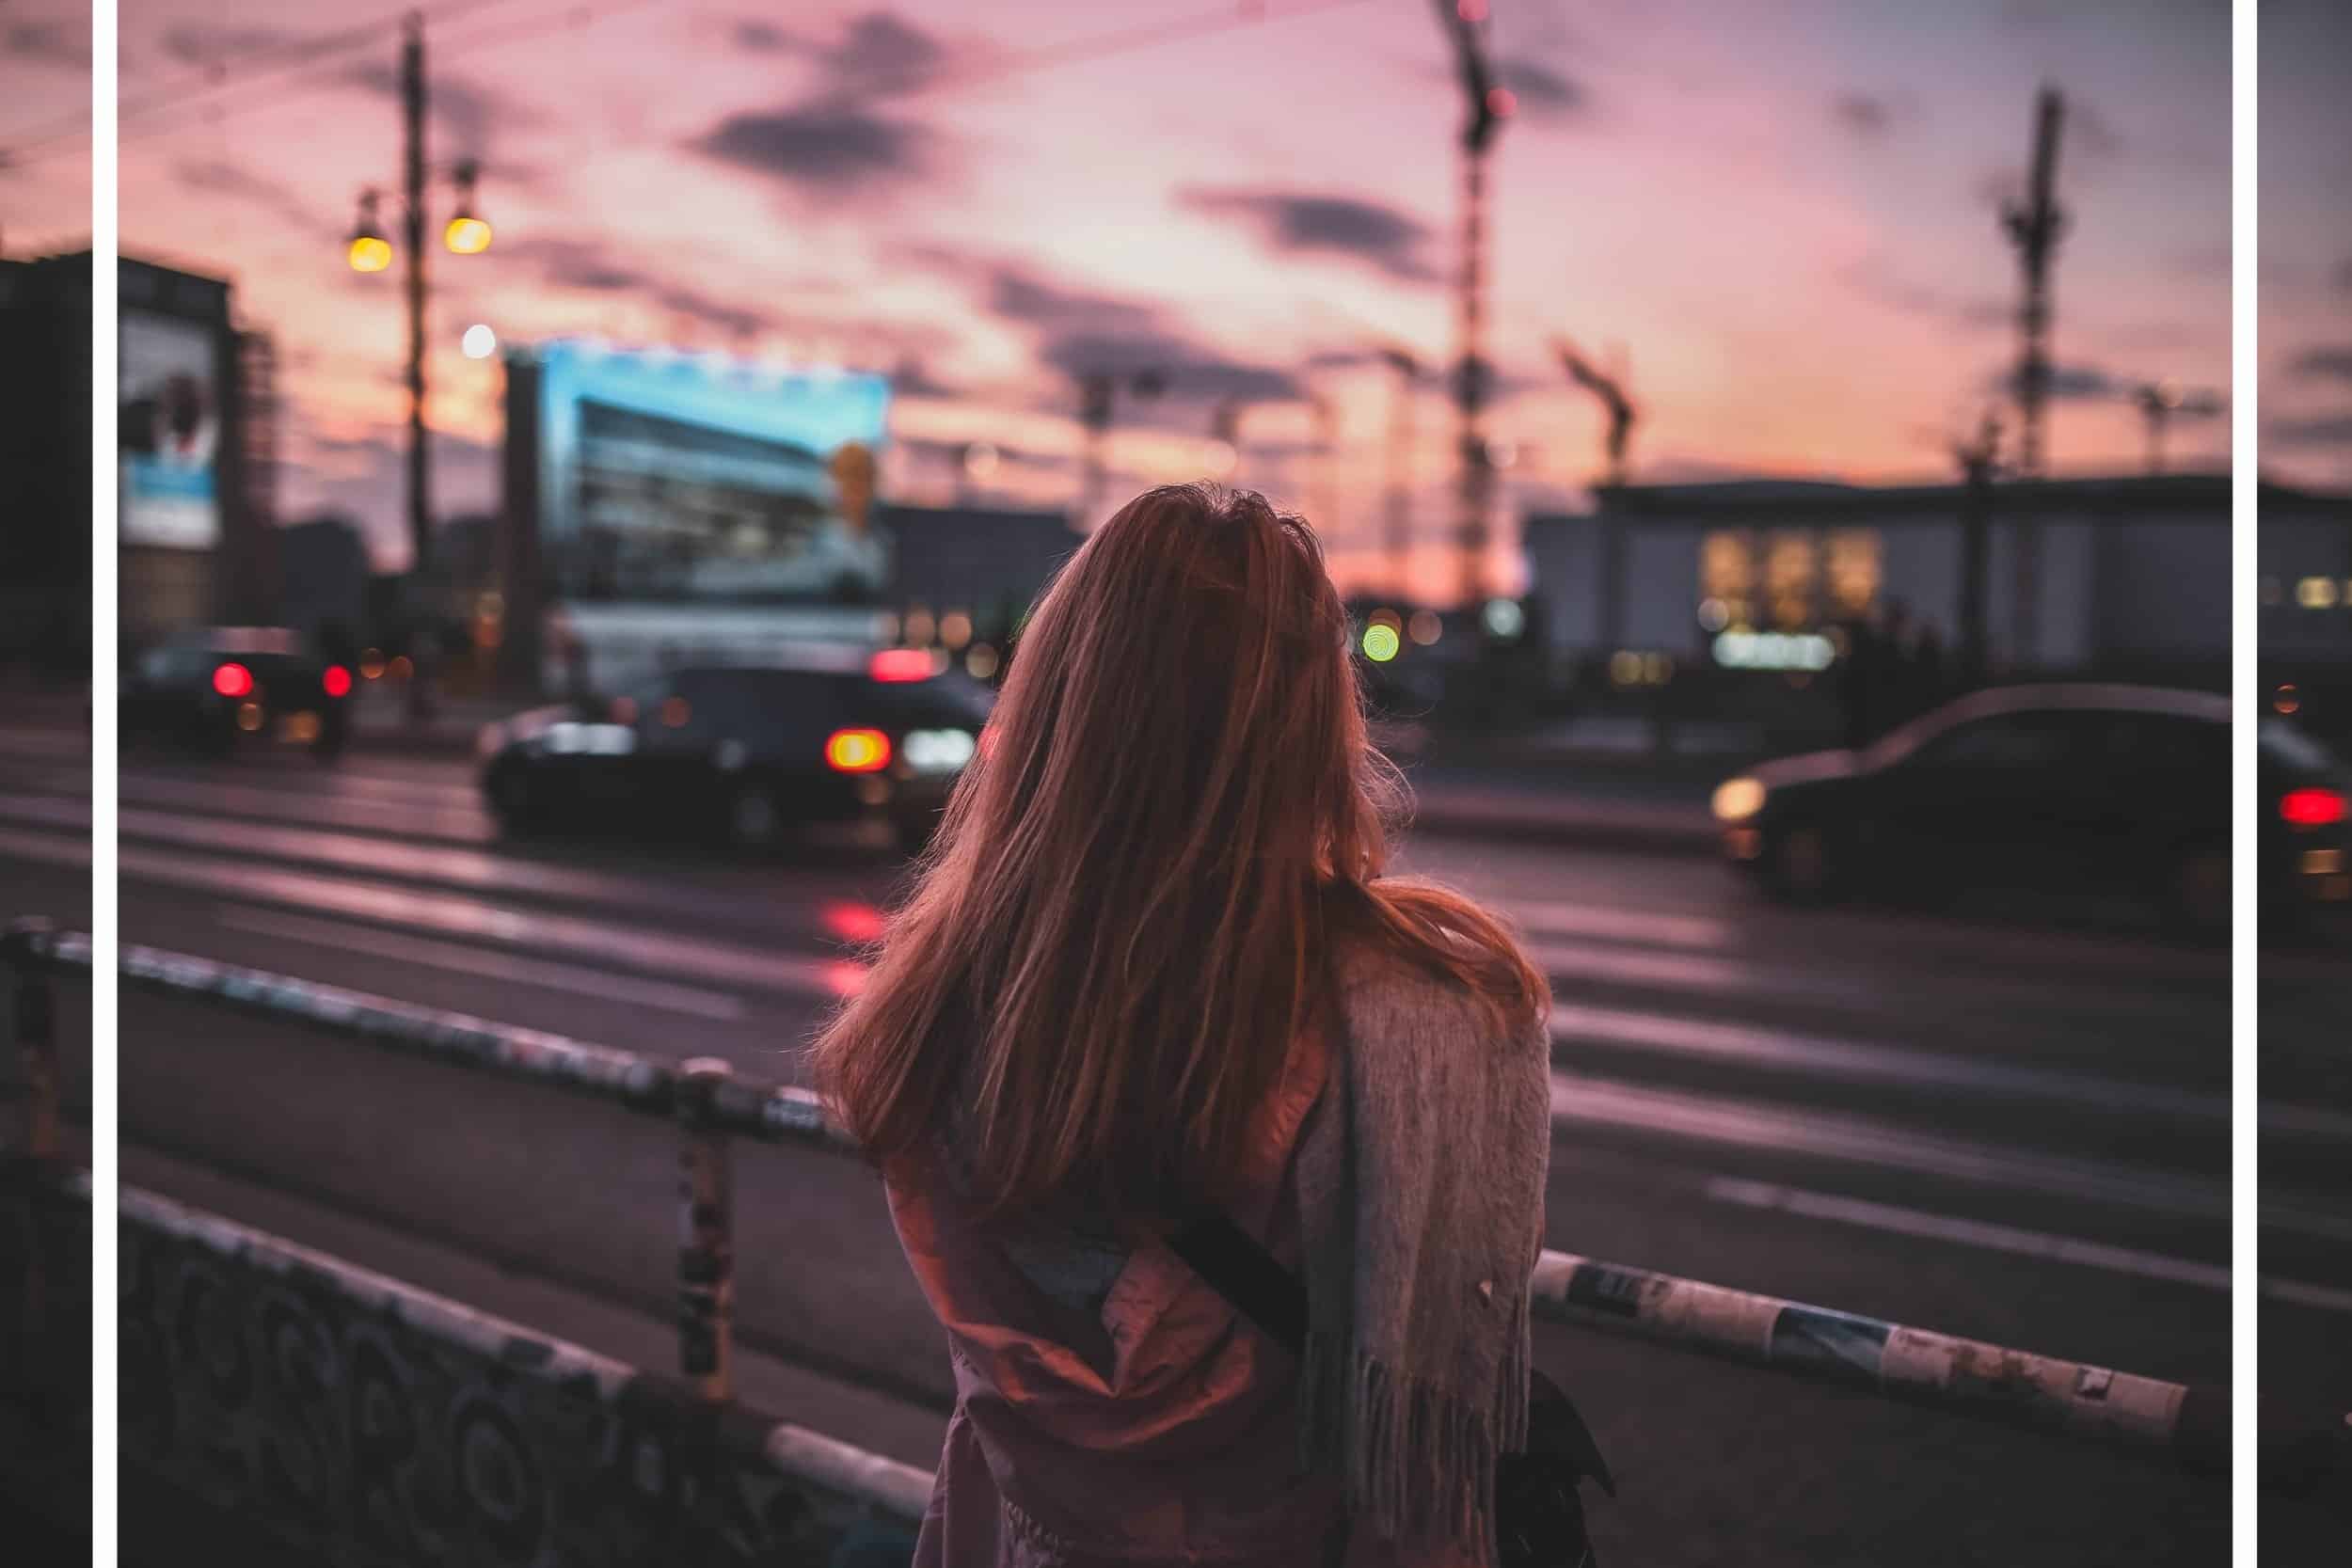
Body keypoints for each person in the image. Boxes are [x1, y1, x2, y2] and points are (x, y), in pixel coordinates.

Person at [812, 485, 1554, 1568]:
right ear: (1309, 722)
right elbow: (1424, 1478)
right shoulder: (1428, 1002)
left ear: (1061, 703)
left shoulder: (955, 993)